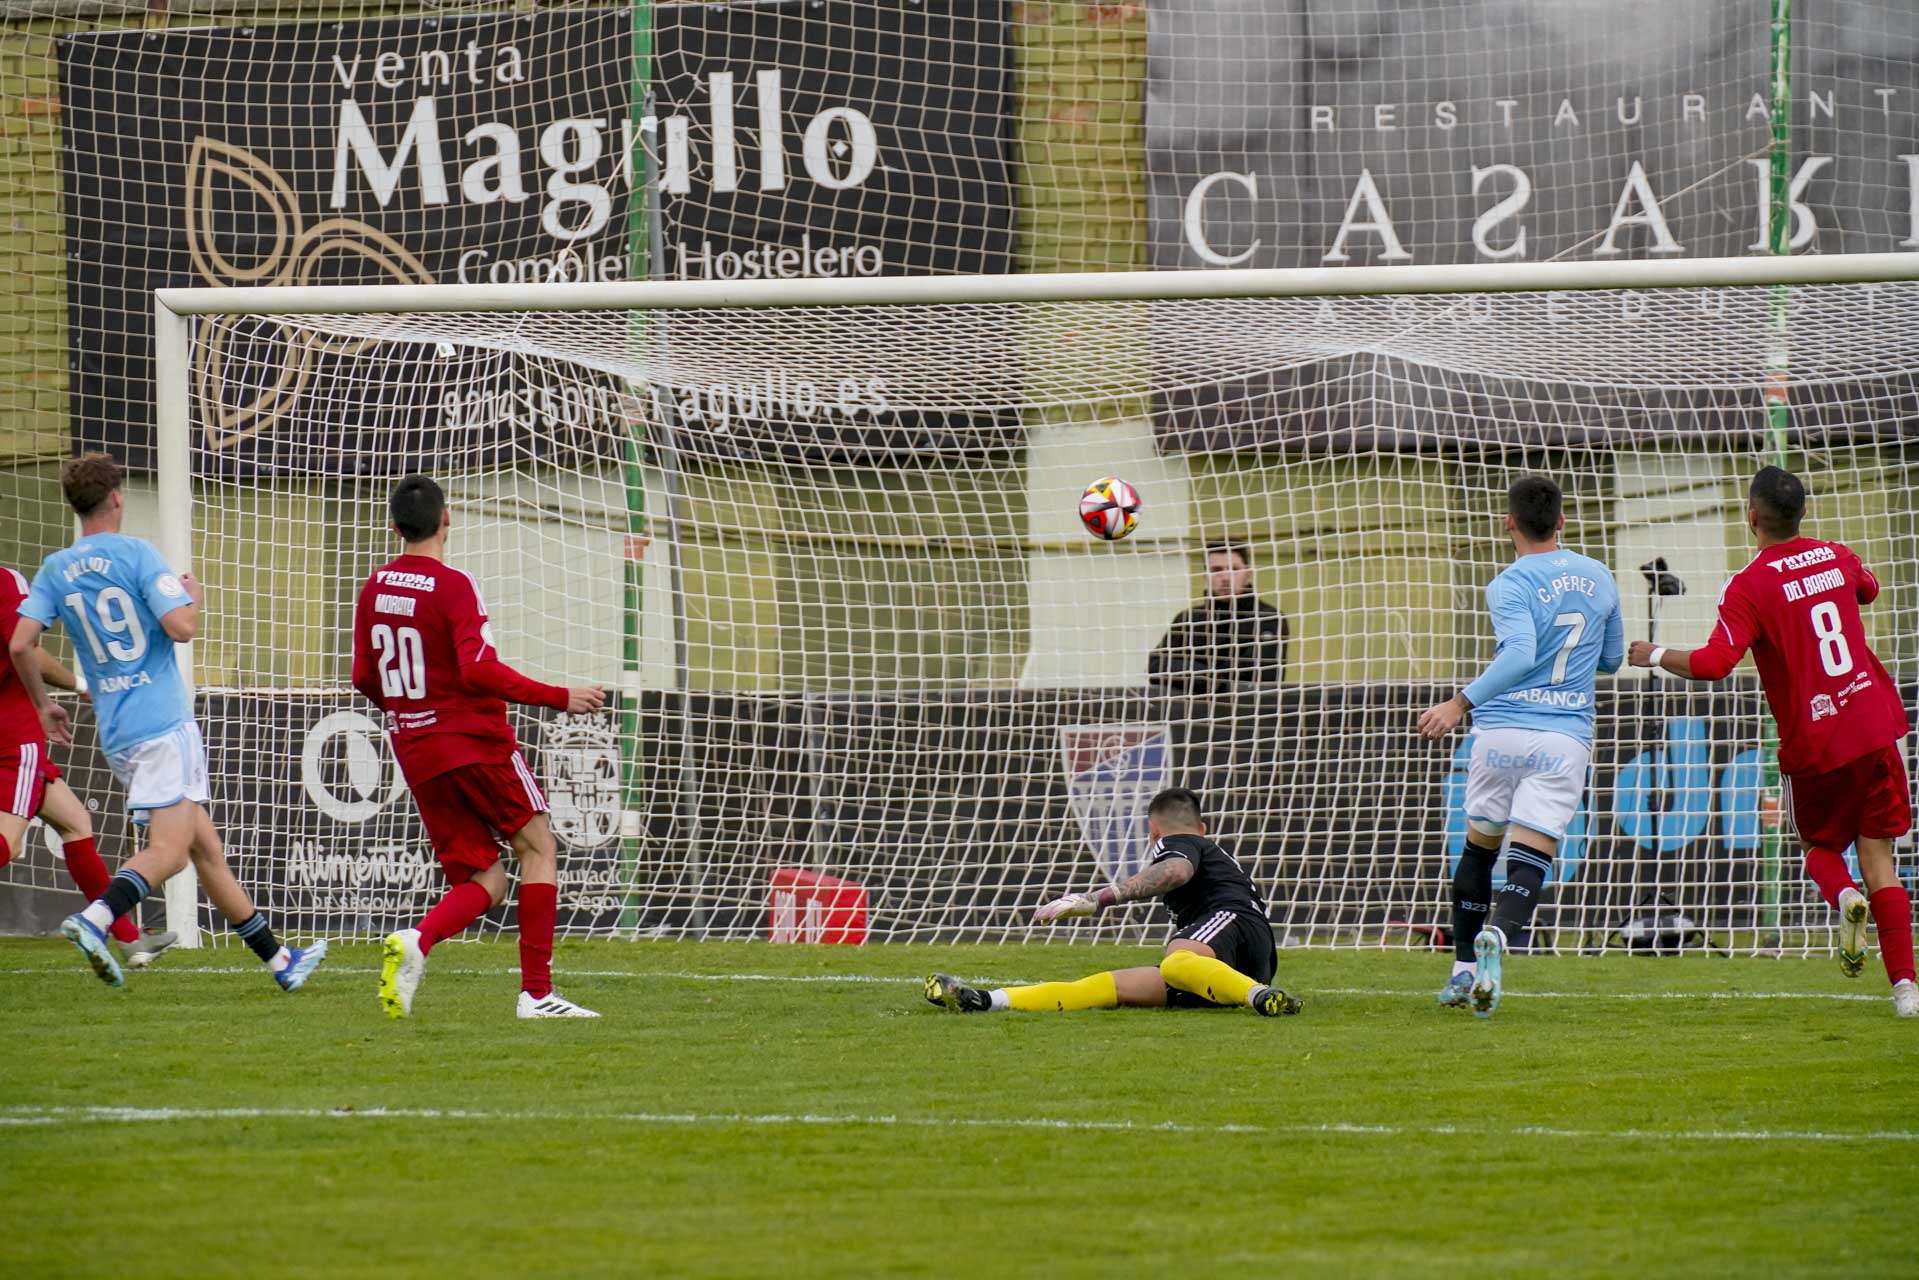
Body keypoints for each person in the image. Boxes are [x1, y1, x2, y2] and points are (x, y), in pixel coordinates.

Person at [6, 452, 325, 989]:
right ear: (116, 499)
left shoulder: (57, 569)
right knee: (170, 852)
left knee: (205, 849)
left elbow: (20, 644)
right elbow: (181, 628)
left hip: (117, 728)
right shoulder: (136, 554)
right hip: (162, 723)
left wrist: (43, 704)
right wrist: (192, 601)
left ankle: (279, 962)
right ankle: (96, 919)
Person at [1628, 466, 1915, 1018]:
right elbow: (1870, 590)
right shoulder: (1837, 554)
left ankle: (1845, 899)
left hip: (1818, 741)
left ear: (1752, 516)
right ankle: (1907, 992)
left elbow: (1714, 664)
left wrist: (1655, 654)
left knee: (1820, 851)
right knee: (1880, 858)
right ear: (1800, 512)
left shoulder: (1749, 585)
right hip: (1876, 724)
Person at [356, 474, 607, 1020]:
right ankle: (537, 995)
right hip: (471, 740)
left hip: (415, 748)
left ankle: (418, 941)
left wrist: (410, 714)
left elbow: (363, 676)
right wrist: (559, 696)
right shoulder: (453, 585)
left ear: (395, 526)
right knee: (539, 849)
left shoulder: (374, 586)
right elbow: (477, 669)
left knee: (484, 880)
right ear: (447, 519)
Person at [1418, 475, 1622, 1017]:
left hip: (1501, 730)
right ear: (1562, 522)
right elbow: (1610, 660)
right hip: (1562, 736)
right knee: (1532, 853)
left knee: (1479, 848)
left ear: (1509, 522)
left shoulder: (1509, 582)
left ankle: (1462, 968)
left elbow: (1518, 653)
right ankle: (1501, 938)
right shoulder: (1600, 575)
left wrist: (1459, 703)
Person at [924, 787, 1301, 1017]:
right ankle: (985, 1001)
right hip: (1238, 963)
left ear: (1153, 832)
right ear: (1203, 826)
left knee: (1176, 962)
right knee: (1102, 988)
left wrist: (1099, 898)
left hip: (1232, 924)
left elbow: (1177, 871)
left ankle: (1258, 997)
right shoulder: (1206, 843)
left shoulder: (1181, 843)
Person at [1147, 540, 1288, 692]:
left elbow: (1264, 673)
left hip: (1247, 712)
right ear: (1205, 576)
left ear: (1248, 573)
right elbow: (1157, 665)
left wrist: (1194, 675)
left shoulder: (1268, 618)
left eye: (1234, 569)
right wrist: (1210, 678)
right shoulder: (1189, 619)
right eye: (1216, 570)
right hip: (1193, 713)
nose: (1225, 577)